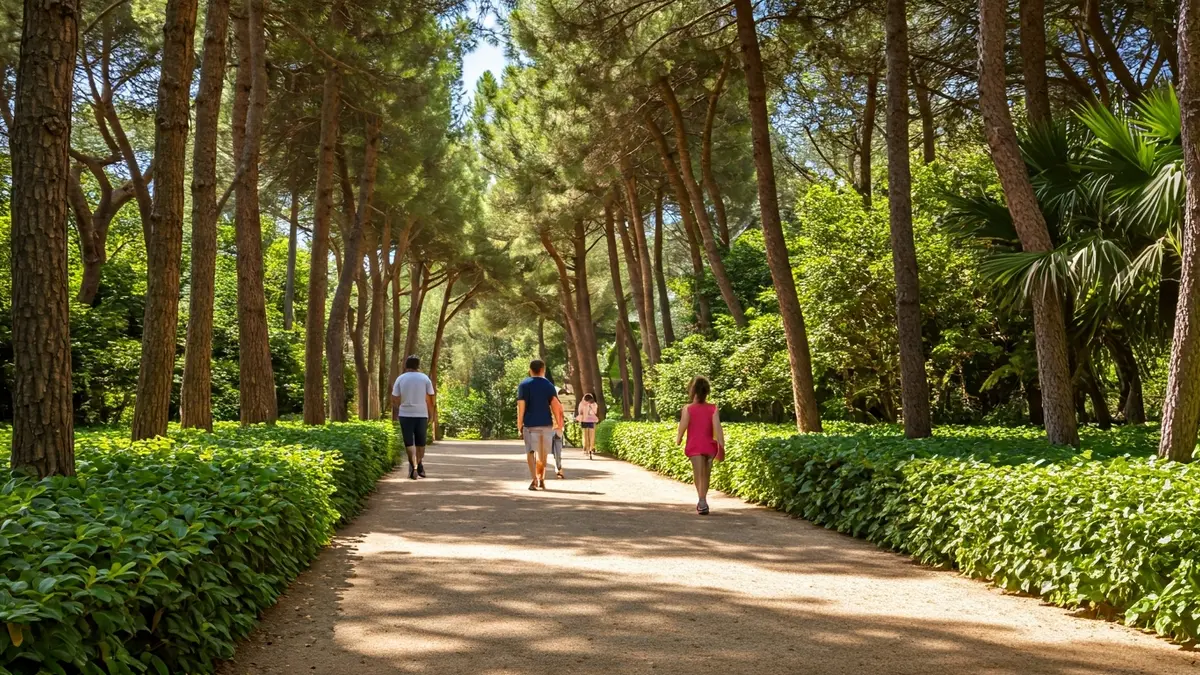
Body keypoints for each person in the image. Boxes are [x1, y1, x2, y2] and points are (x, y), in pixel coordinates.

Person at [675, 376, 724, 515]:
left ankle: (701, 501)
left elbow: (682, 426)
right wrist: (721, 445)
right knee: (706, 474)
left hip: (695, 445)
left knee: (698, 473)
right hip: (710, 445)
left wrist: (678, 439)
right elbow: (717, 428)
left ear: (693, 391)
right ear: (707, 391)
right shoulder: (713, 408)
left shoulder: (688, 408)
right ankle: (704, 499)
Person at [517, 359, 564, 491]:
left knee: (530, 452)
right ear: (543, 369)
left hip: (529, 425)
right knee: (542, 453)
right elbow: (556, 406)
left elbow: (521, 406)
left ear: (530, 369)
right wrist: (559, 424)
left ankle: (534, 480)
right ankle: (541, 479)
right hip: (545, 424)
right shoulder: (549, 385)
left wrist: (519, 424)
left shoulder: (524, 385)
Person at [391, 355, 436, 480]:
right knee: (421, 443)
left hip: (405, 414)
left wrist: (398, 409)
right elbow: (431, 398)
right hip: (421, 414)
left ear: (406, 365)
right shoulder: (425, 378)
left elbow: (394, 398)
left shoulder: (400, 378)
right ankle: (418, 464)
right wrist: (432, 414)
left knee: (408, 442)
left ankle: (413, 466)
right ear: (418, 365)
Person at [576, 393, 600, 460]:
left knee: (591, 435)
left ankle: (591, 448)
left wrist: (590, 407)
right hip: (584, 420)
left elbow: (594, 412)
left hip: (591, 421)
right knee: (585, 435)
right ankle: (586, 448)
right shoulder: (582, 404)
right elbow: (580, 411)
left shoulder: (594, 404)